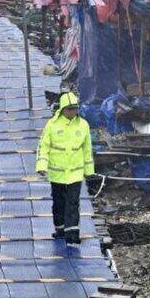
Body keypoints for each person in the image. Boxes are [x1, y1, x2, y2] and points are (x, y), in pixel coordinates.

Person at [36, 91, 92, 245]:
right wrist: (41, 166)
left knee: (73, 203)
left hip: (75, 174)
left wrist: (89, 171)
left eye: (75, 109)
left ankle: (72, 234)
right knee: (59, 202)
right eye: (70, 109)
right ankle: (60, 229)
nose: (73, 112)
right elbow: (44, 147)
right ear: (63, 109)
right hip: (57, 174)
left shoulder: (83, 125)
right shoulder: (52, 125)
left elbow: (87, 149)